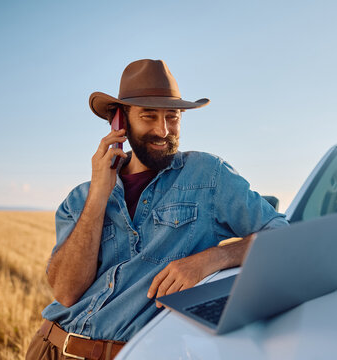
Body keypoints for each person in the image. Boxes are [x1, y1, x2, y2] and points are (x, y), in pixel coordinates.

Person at [26, 59, 288, 360]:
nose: (164, 130)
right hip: (49, 347)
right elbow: (66, 292)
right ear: (120, 121)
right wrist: (99, 194)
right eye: (149, 116)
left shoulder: (208, 175)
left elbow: (281, 234)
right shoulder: (80, 197)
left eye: (173, 117)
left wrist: (213, 258)